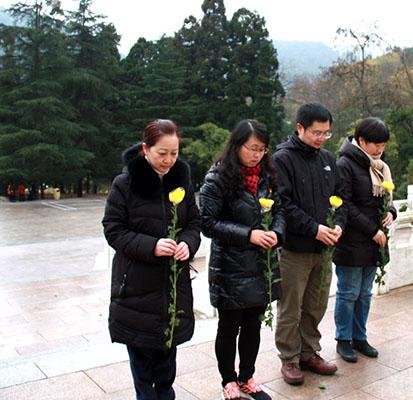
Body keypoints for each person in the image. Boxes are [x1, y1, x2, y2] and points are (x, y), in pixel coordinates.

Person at [102, 119, 201, 400]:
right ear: (145, 149)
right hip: (136, 286)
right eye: (162, 153)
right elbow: (113, 229)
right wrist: (152, 246)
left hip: (173, 285)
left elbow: (194, 223)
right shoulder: (125, 184)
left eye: (174, 153)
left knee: (167, 356)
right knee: (142, 360)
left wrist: (187, 244)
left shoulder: (181, 181)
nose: (169, 160)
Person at [200, 119, 285, 400]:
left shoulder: (268, 176)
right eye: (252, 148)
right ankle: (229, 380)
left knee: (253, 325)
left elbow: (280, 209)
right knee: (229, 327)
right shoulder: (218, 178)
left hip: (260, 264)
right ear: (237, 145)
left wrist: (276, 233)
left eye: (262, 149)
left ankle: (247, 376)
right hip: (230, 266)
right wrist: (249, 234)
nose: (257, 154)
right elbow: (208, 223)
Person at [272, 102, 346, 385]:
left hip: (324, 248)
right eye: (317, 133)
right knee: (291, 307)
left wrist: (338, 225)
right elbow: (283, 204)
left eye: (326, 133)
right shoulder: (282, 159)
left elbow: (341, 197)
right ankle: (289, 358)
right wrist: (314, 229)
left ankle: (308, 352)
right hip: (295, 248)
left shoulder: (327, 158)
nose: (322, 138)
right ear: (300, 128)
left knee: (316, 304)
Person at [333, 117, 397, 363]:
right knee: (348, 292)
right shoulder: (345, 164)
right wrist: (372, 230)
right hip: (351, 240)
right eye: (376, 144)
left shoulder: (379, 166)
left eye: (383, 145)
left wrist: (391, 213)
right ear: (361, 141)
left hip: (374, 242)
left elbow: (387, 199)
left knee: (365, 293)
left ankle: (360, 337)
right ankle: (343, 339)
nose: (380, 149)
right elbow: (345, 205)